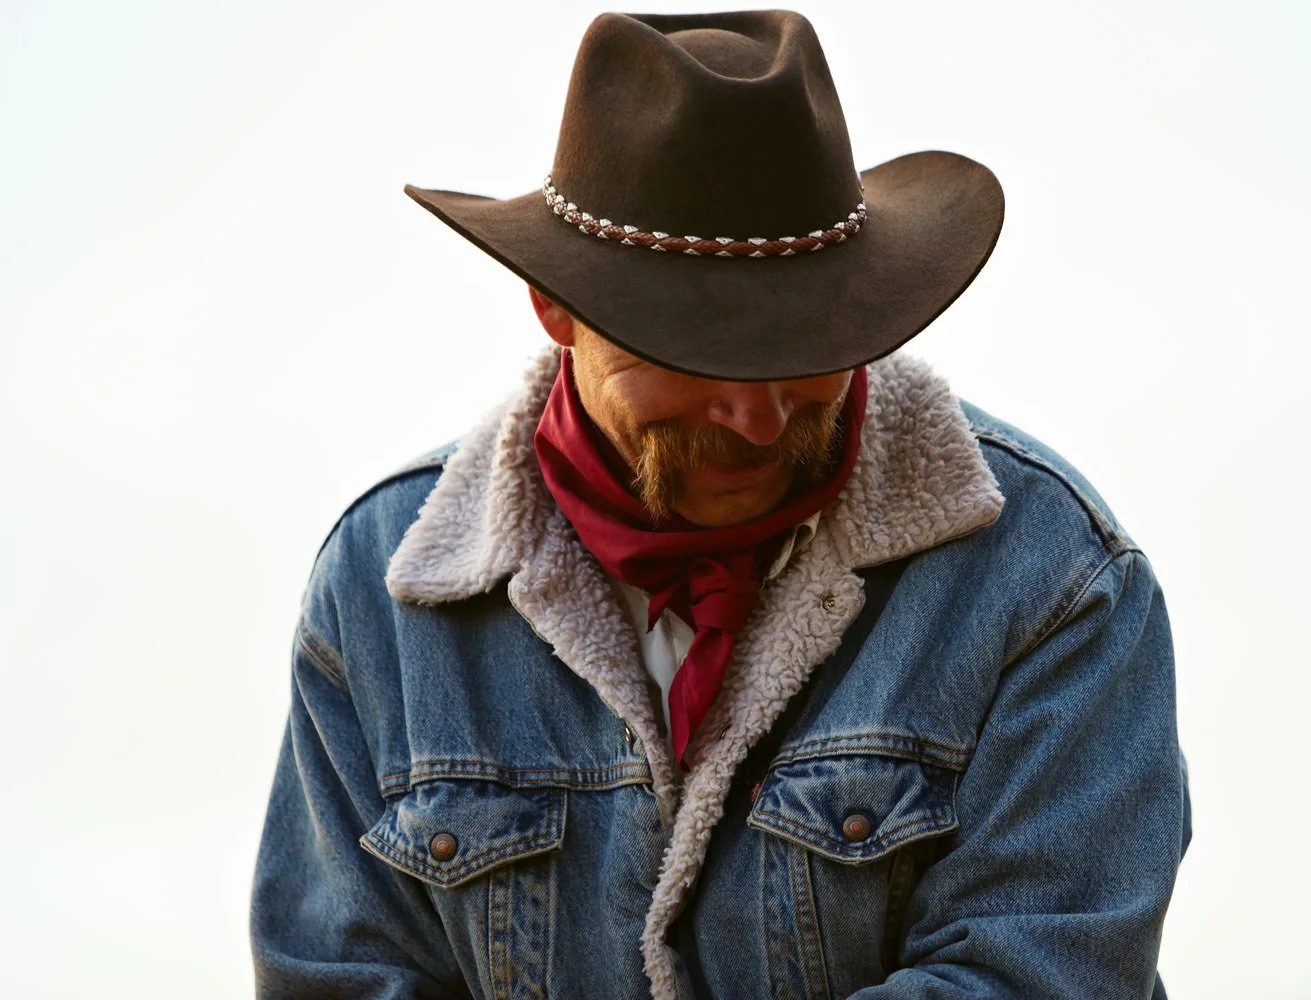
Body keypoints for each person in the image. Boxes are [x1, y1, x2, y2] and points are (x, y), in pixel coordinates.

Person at [251, 10, 1191, 999]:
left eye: (808, 347)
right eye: (699, 352)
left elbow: (1040, 978)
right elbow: (343, 977)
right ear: (553, 307)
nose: (757, 415)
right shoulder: (377, 586)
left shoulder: (1051, 576)